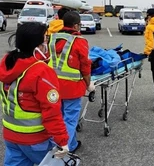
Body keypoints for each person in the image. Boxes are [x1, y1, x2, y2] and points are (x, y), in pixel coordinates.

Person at [0, 22, 69, 165]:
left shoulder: (7, 64)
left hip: (11, 136)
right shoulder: (41, 71)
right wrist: (62, 140)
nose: (47, 43)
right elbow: (51, 111)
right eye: (45, 39)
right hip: (35, 139)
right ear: (37, 46)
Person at [47, 11, 95, 153]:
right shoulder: (79, 41)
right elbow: (85, 66)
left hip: (52, 86)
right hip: (71, 87)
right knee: (70, 119)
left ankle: (71, 144)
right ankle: (64, 147)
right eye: (79, 25)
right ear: (75, 26)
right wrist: (89, 84)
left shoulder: (52, 38)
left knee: (58, 117)